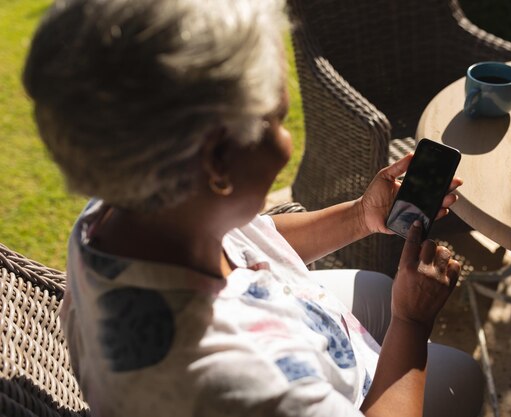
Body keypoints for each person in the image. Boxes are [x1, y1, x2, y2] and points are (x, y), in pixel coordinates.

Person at [23, 0, 483, 416]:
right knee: (464, 374)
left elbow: (250, 240)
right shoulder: (245, 382)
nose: (287, 143)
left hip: (314, 336)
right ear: (217, 161)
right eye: (278, 120)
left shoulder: (126, 207)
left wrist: (361, 215)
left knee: (377, 286)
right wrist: (412, 320)